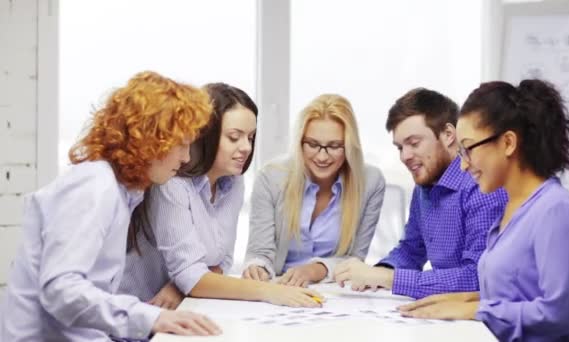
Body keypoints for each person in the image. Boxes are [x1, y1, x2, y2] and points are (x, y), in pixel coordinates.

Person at [0, 71, 222, 341]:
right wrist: (153, 318)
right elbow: (61, 290)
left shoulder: (119, 191)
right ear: (153, 140)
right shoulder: (95, 185)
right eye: (182, 145)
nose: (187, 158)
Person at [399, 79, 569, 341]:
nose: (463, 166)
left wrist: (477, 309)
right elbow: (515, 295)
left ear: (507, 143)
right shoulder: (510, 209)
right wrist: (462, 300)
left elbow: (556, 315)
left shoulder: (558, 210)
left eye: (468, 150)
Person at [119, 83, 323, 308]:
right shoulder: (172, 183)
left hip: (183, 309)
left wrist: (188, 282)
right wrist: (270, 291)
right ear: (205, 136)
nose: (246, 147)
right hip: (137, 315)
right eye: (234, 137)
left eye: (251, 137)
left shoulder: (234, 181)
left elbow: (221, 261)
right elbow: (190, 276)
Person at [335, 88, 507, 299]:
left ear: (448, 135)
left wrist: (387, 279)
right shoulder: (424, 186)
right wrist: (376, 274)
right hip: (443, 311)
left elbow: (477, 278)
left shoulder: (481, 186)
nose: (405, 156)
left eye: (414, 143)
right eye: (400, 147)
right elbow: (411, 250)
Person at [242, 94, 386, 286]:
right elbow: (259, 252)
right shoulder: (270, 178)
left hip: (334, 290)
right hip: (280, 286)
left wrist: (314, 270)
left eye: (334, 146)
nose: (322, 156)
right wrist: (257, 268)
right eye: (312, 144)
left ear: (350, 146)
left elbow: (355, 259)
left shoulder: (370, 183)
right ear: (299, 142)